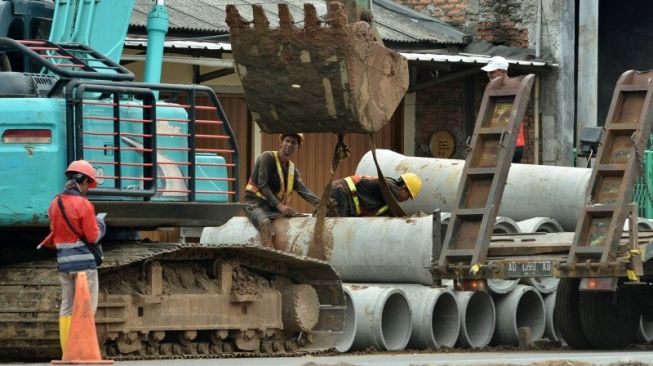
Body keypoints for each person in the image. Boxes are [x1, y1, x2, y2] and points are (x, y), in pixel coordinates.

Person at [38, 160, 106, 353]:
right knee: (86, 308)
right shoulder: (83, 204)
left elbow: (55, 232)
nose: (87, 188)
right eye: (87, 183)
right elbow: (92, 236)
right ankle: (83, 351)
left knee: (67, 307)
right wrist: (101, 224)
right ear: (82, 180)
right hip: (84, 266)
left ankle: (67, 351)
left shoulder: (55, 203)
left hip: (64, 265)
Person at [244, 133, 320, 245]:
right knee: (265, 223)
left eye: (293, 143)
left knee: (298, 217)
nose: (289, 144)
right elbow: (263, 185)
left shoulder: (292, 171)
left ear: (298, 147)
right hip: (255, 204)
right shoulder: (267, 157)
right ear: (281, 142)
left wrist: (321, 203)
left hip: (273, 208)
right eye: (287, 141)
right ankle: (269, 255)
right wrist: (280, 206)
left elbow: (304, 191)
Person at [481, 56, 525, 163]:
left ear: (502, 71)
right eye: (488, 72)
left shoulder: (511, 88)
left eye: (492, 72)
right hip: (501, 143)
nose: (489, 75)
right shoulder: (496, 88)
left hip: (511, 144)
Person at [327, 172, 422, 217]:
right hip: (342, 192)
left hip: (344, 195)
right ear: (404, 188)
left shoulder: (389, 189)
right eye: (409, 196)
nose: (407, 199)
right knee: (336, 227)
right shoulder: (391, 189)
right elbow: (396, 212)